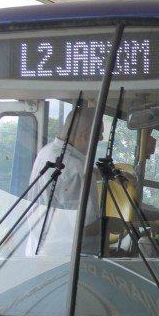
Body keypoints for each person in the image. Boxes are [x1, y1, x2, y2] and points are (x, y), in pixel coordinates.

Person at [25, 107, 104, 255]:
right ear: (85, 135)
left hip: (40, 251)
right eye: (98, 137)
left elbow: (72, 175)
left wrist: (109, 175)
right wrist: (114, 223)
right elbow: (85, 227)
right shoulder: (74, 169)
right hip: (67, 258)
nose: (100, 140)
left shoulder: (47, 152)